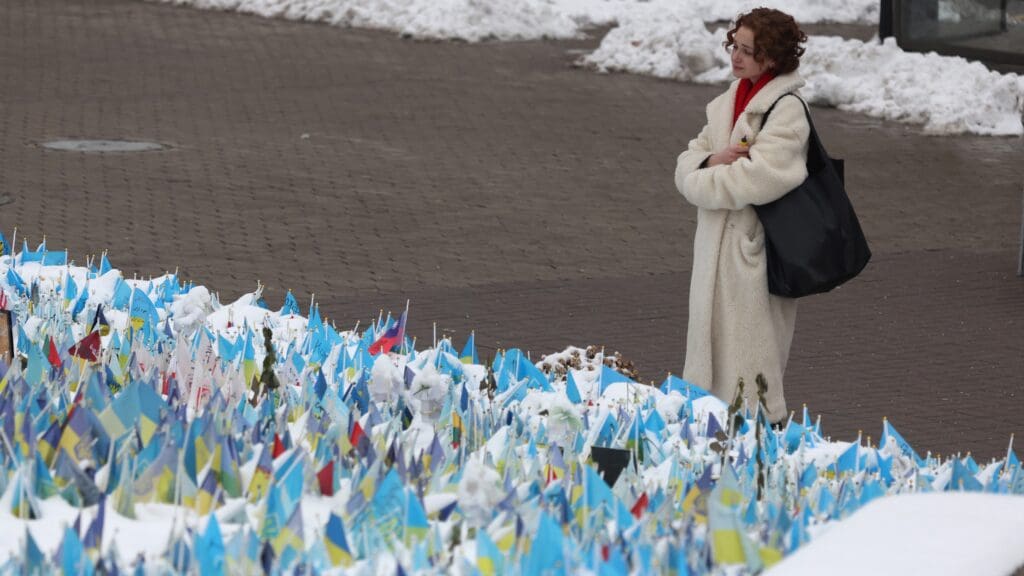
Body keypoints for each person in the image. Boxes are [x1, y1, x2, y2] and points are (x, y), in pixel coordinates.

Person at [674, 8, 809, 425]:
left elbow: (760, 178)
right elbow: (686, 163)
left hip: (755, 256)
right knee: (709, 368)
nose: (735, 56)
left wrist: (705, 177)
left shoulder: (787, 110)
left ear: (772, 59)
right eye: (734, 45)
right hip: (715, 253)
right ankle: (712, 435)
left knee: (752, 371)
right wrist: (713, 160)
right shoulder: (725, 104)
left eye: (748, 50)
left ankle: (760, 443)